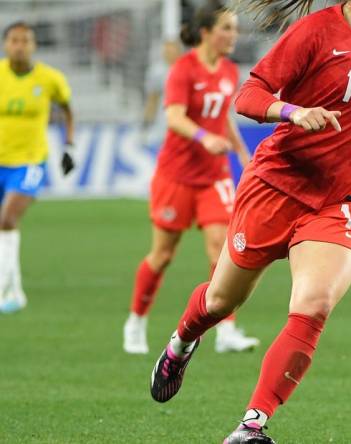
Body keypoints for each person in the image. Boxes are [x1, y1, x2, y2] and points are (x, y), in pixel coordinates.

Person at [148, 0, 351, 442]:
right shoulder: (315, 32)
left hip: (342, 200)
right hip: (277, 186)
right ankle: (181, 342)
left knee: (314, 303)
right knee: (221, 302)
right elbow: (250, 95)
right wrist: (293, 112)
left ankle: (250, 426)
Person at [123, 4, 259, 354]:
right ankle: (136, 321)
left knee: (222, 249)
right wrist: (204, 138)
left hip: (214, 176)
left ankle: (226, 330)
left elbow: (223, 115)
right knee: (163, 254)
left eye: (235, 28)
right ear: (205, 33)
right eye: (227, 28)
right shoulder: (183, 70)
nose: (234, 35)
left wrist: (240, 151)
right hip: (177, 176)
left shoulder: (229, 70)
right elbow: (174, 118)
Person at [0, 22, 75, 314]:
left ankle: (4, 287)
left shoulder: (50, 78)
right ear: (6, 45)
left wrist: (69, 145)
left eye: (25, 40)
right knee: (4, 226)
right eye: (14, 40)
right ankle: (15, 291)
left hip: (30, 162)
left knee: (7, 219)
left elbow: (67, 109)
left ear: (33, 46)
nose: (20, 45)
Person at [142, 40, 183, 145]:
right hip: (162, 126)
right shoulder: (157, 71)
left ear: (179, 51)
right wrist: (146, 124)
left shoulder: (188, 69)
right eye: (167, 49)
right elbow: (152, 99)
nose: (169, 52)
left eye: (173, 49)